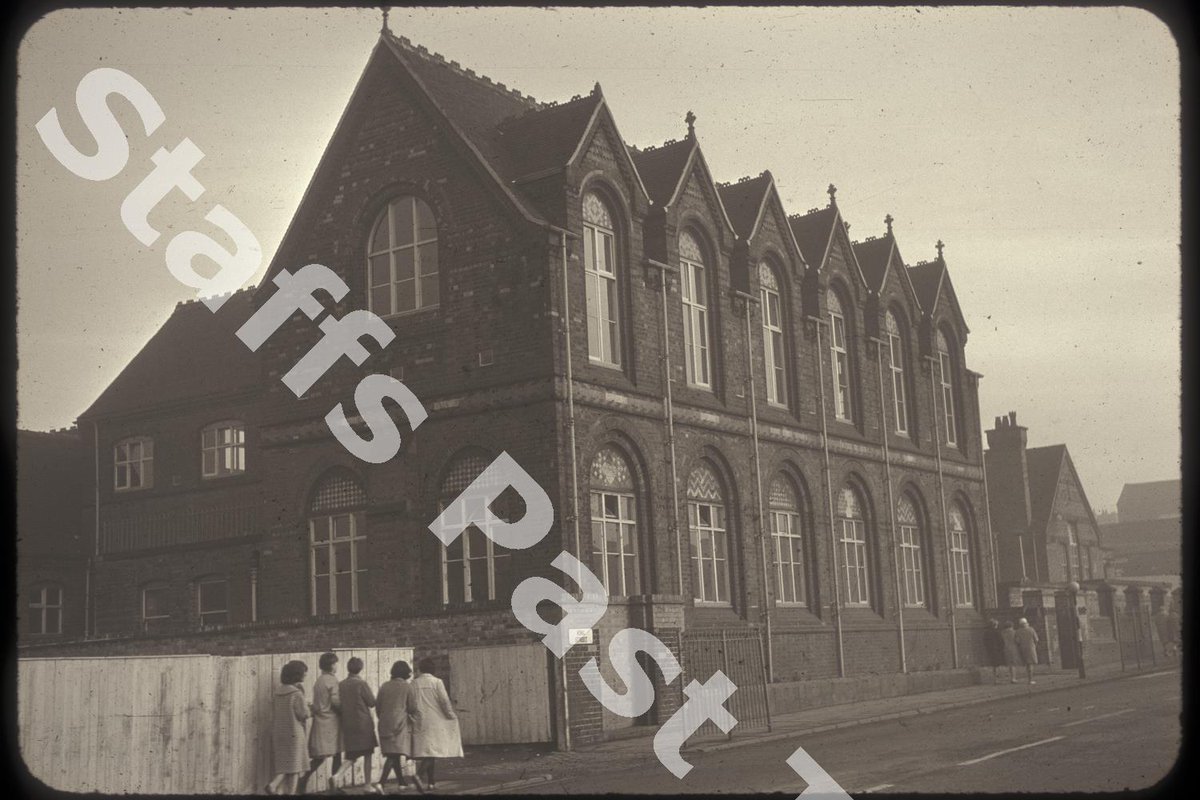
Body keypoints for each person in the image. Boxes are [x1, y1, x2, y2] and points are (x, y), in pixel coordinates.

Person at [411, 658, 463, 791]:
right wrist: (451, 716)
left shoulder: (414, 683)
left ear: (420, 669)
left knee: (429, 752)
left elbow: (411, 703)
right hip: (436, 721)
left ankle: (431, 782)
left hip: (420, 720)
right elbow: (444, 701)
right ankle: (419, 775)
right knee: (432, 752)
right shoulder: (437, 682)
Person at [375, 660, 423, 794]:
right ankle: (381, 783)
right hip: (399, 724)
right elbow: (412, 707)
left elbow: (378, 707)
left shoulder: (384, 686)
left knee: (393, 753)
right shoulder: (407, 687)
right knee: (394, 754)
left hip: (384, 723)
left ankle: (401, 783)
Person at [299, 652, 342, 793]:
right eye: (335, 663)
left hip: (320, 720)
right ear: (331, 665)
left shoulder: (319, 681)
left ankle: (303, 780)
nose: (336, 666)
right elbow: (335, 701)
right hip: (331, 721)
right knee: (337, 753)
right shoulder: (332, 680)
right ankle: (335, 786)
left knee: (320, 756)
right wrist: (344, 710)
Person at [333, 657, 378, 790]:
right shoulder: (361, 684)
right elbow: (372, 702)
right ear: (360, 668)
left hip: (347, 723)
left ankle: (338, 775)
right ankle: (367, 784)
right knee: (368, 753)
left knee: (352, 754)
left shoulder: (341, 684)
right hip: (363, 723)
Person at [266, 660, 310, 796]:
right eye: (304, 672)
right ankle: (276, 786)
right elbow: (304, 714)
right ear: (297, 675)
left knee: (285, 765)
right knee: (295, 767)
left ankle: (276, 788)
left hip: (279, 732)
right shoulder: (297, 694)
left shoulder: (277, 693)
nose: (305, 675)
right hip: (294, 734)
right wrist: (310, 707)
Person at [1014, 617, 1040, 684]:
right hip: (1031, 648)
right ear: (1027, 623)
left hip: (1023, 649)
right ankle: (1030, 680)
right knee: (1030, 664)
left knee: (1027, 664)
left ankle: (1029, 679)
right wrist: (1034, 646)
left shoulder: (1018, 631)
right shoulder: (1031, 629)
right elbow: (1036, 639)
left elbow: (1017, 641)